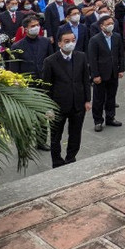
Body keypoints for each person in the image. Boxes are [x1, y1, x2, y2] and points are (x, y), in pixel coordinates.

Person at [42, 26, 91, 167]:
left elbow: (85, 80)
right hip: (58, 106)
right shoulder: (50, 61)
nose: (70, 43)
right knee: (56, 136)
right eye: (66, 41)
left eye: (73, 40)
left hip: (78, 103)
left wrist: (87, 100)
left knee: (75, 134)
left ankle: (71, 158)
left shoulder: (81, 56)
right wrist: (48, 107)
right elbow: (46, 86)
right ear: (59, 43)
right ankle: (57, 161)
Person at [86, 14, 123, 131]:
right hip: (100, 75)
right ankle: (98, 121)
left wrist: (121, 69)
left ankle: (110, 117)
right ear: (102, 26)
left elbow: (121, 54)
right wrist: (95, 75)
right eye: (108, 24)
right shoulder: (95, 40)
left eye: (112, 23)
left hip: (113, 72)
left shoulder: (117, 37)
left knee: (111, 97)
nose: (111, 26)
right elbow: (92, 59)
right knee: (98, 99)